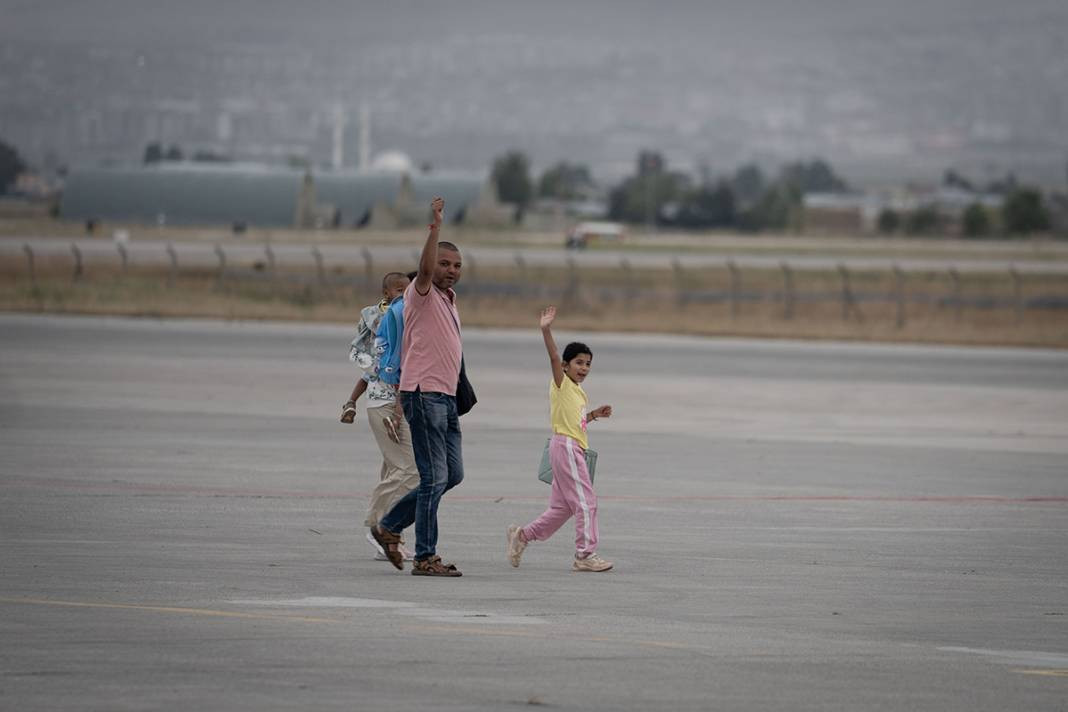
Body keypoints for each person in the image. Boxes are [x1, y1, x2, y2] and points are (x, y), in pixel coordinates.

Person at [370, 197, 466, 577]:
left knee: (452, 475)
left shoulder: (449, 299)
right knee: (433, 478)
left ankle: (390, 524)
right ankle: (426, 556)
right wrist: (436, 228)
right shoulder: (421, 294)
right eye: (445, 264)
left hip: (445, 398)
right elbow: (424, 270)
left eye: (457, 265)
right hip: (423, 394)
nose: (451, 270)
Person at [506, 305, 614, 572]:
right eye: (578, 362)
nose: (584, 368)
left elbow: (572, 421)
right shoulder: (561, 382)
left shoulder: (578, 392)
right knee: (587, 503)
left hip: (570, 447)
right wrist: (546, 329)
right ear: (566, 366)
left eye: (588, 363)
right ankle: (585, 554)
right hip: (566, 448)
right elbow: (554, 357)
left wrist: (592, 416)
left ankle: (522, 536)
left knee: (562, 509)